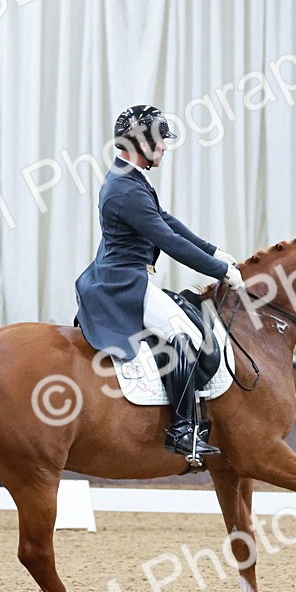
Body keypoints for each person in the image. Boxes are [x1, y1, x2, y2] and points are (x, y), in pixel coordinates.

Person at [74, 105, 245, 464]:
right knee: (188, 334)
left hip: (123, 277)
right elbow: (167, 240)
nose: (165, 147)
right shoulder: (125, 189)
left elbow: (168, 222)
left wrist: (214, 250)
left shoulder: (129, 178)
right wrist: (219, 271)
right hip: (122, 284)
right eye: (161, 141)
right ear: (142, 142)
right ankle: (182, 431)